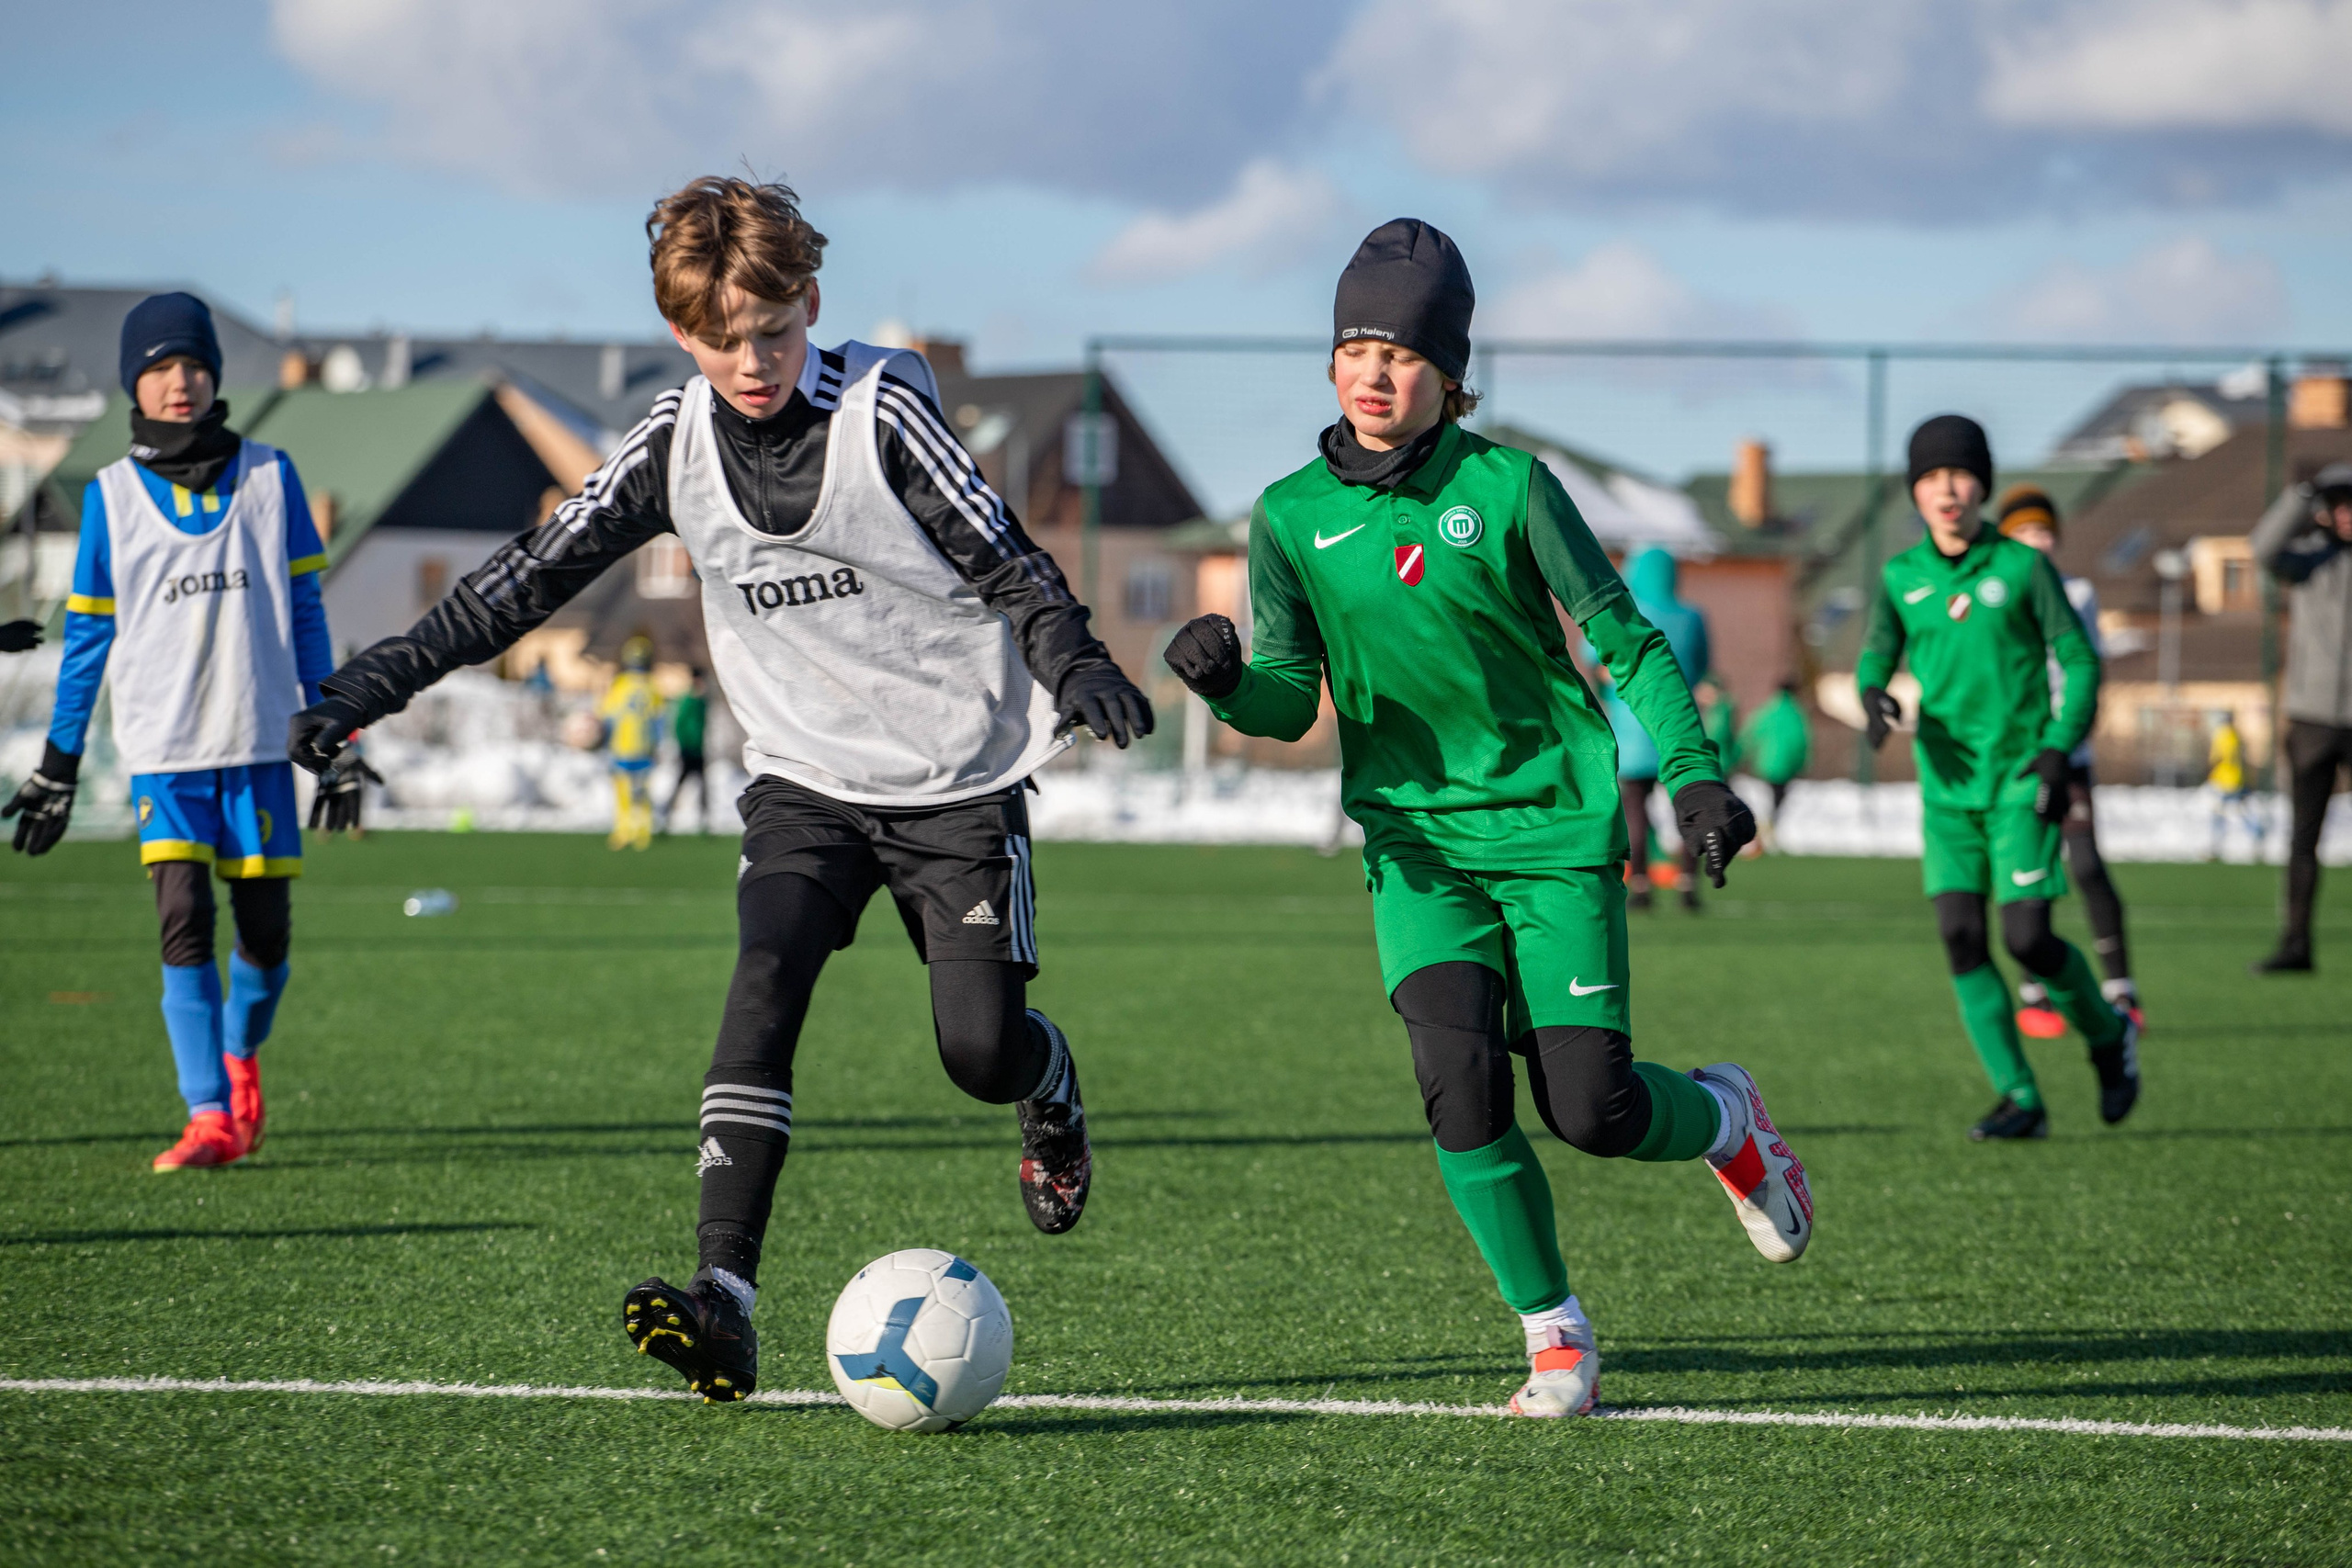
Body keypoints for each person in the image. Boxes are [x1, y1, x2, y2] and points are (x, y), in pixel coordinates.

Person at [285, 176, 1151, 1404]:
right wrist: (370, 679)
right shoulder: (669, 442)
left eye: (777, 331)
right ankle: (725, 1300)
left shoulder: (885, 414)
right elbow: (520, 582)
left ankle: (1048, 1085)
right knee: (766, 975)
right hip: (803, 776)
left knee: (976, 1047)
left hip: (957, 777)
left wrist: (1073, 659)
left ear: (812, 302)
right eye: (724, 338)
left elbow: (1006, 554)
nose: (755, 361)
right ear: (681, 334)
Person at [1163, 219, 1806, 1421]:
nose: (1373, 369)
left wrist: (1696, 774)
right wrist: (1223, 679)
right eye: (1355, 342)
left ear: (1451, 374)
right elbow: (1289, 698)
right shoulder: (1290, 516)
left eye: (1401, 350)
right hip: (1416, 848)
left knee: (1595, 1112)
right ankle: (1554, 1333)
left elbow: (1626, 639)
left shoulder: (1511, 489)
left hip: (1553, 832)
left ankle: (1727, 1118)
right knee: (1457, 1082)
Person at [2, 292, 342, 1170]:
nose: (179, 382)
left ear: (215, 376)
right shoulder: (111, 497)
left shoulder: (272, 477)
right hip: (164, 755)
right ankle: (207, 1114)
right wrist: (57, 763)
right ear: (135, 387)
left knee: (266, 938)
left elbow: (307, 615)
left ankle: (239, 1057)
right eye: (158, 369)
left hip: (261, 744)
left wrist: (338, 727)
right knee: (183, 921)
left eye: (192, 365)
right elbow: (86, 643)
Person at [1857, 417, 2139, 1141]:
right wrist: (1872, 694)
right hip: (1947, 793)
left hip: (2019, 780)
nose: (1946, 489)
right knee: (1959, 935)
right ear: (1914, 490)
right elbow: (1877, 652)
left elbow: (2078, 659)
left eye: (1960, 474)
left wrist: (2056, 746)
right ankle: (2021, 1096)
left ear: (1981, 482)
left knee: (2028, 939)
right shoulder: (1900, 577)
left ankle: (2108, 1036)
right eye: (1930, 477)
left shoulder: (2021, 567)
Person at [1993, 486, 2140, 1034]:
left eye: (2044, 531)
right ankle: (2035, 992)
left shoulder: (2076, 593)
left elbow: (2086, 666)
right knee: (2030, 871)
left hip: (2067, 757)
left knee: (2086, 865)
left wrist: (2069, 735)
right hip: (2016, 762)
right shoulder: (1996, 596)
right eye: (2025, 532)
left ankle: (2121, 989)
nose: (2038, 541)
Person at [2248, 461, 2352, 973]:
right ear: (2326, 512)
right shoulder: (2309, 561)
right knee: (2303, 837)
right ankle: (2295, 943)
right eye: (2340, 505)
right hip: (2312, 716)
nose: (2349, 515)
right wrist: (2300, 496)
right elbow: (2262, 548)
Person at [599, 635, 662, 851]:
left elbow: (608, 717)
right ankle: (642, 833)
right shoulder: (652, 686)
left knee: (624, 792)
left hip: (622, 746)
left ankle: (623, 831)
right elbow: (658, 720)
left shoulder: (621, 684)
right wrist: (657, 745)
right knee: (642, 792)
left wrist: (604, 743)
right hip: (643, 747)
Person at [1737, 679, 1810, 851]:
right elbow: (1802, 742)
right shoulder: (1796, 713)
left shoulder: (1768, 710)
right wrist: (1802, 763)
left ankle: (1763, 832)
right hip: (1786, 766)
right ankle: (1767, 831)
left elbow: (1751, 733)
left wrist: (1743, 755)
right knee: (1776, 800)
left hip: (1764, 763)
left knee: (1767, 799)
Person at [661, 667, 711, 833]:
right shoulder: (688, 700)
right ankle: (665, 817)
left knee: (703, 786)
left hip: (699, 749)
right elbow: (679, 724)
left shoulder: (702, 701)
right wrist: (683, 745)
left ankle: (705, 821)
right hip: (688, 750)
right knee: (680, 784)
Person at [2206, 713, 2261, 862]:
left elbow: (2216, 758)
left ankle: (2215, 848)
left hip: (2223, 781)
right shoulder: (2237, 737)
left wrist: (2209, 773)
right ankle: (2256, 837)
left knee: (2218, 815)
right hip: (2237, 780)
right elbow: (2243, 761)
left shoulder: (2222, 736)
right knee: (2241, 812)